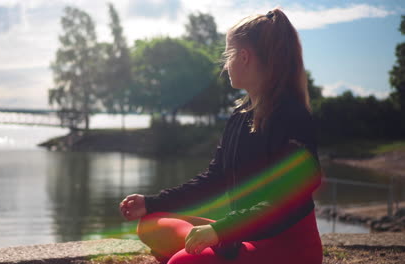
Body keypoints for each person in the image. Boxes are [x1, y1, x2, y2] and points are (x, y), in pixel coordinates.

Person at [119, 8, 323, 264]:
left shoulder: (292, 117)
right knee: (149, 224)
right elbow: (214, 178)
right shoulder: (241, 114)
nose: (226, 65)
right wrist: (151, 202)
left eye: (228, 55)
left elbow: (286, 203)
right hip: (244, 234)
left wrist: (221, 230)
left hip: (289, 249)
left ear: (245, 57)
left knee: (183, 262)